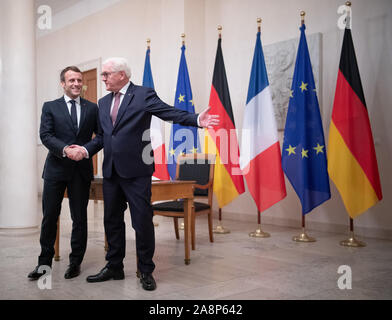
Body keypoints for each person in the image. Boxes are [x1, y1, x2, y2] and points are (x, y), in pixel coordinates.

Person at [69, 57, 218, 291]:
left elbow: (168, 112)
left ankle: (146, 270)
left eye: (107, 74)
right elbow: (102, 137)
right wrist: (85, 150)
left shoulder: (143, 95)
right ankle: (114, 266)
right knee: (112, 221)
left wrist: (197, 119)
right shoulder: (103, 101)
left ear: (122, 75)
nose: (103, 78)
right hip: (111, 172)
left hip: (137, 172)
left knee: (142, 223)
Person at [28, 66, 100, 280]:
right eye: (72, 80)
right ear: (63, 83)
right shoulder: (50, 107)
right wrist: (66, 150)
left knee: (80, 219)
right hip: (55, 170)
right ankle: (44, 264)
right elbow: (46, 135)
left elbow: (101, 136)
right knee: (50, 217)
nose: (77, 84)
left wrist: (85, 150)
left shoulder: (92, 108)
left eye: (79, 80)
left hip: (81, 171)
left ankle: (75, 262)